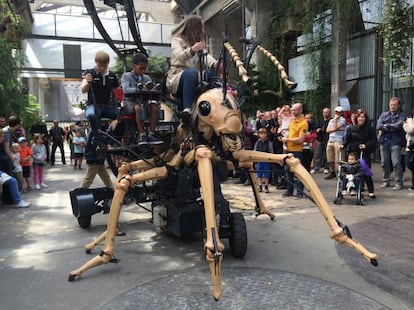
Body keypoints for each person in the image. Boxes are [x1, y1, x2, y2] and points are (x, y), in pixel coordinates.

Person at [166, 15, 218, 114]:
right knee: (191, 73)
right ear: (195, 28)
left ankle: (214, 105)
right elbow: (179, 56)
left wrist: (215, 64)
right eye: (201, 27)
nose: (203, 31)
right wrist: (192, 50)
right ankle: (187, 109)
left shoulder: (198, 42)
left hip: (195, 76)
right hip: (178, 76)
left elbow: (206, 56)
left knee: (211, 74)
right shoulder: (177, 40)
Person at [81, 51, 120, 150]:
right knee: (91, 115)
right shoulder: (89, 73)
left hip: (108, 106)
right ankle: (98, 140)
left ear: (108, 64)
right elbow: (83, 89)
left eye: (104, 66)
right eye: (100, 66)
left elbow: (118, 90)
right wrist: (88, 82)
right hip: (93, 105)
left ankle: (113, 139)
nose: (102, 68)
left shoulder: (111, 75)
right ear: (95, 62)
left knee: (123, 115)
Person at [121, 52, 161, 144]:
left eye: (145, 68)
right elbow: (126, 90)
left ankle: (151, 134)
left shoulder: (146, 78)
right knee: (139, 108)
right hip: (130, 104)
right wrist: (139, 89)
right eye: (141, 68)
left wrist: (154, 89)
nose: (143, 71)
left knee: (154, 107)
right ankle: (142, 135)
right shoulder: (126, 76)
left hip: (144, 103)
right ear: (133, 66)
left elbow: (150, 89)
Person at [342, 109, 377, 198]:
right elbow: (347, 140)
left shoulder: (369, 128)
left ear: (365, 119)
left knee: (365, 170)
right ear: (356, 118)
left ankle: (371, 190)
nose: (361, 119)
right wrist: (343, 145)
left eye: (363, 117)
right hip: (353, 151)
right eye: (359, 117)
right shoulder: (351, 128)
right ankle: (354, 188)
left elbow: (373, 140)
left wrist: (366, 145)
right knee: (352, 170)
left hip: (364, 151)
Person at [376, 97, 407, 190]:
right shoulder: (384, 114)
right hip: (384, 141)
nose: (392, 107)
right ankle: (386, 181)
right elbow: (379, 126)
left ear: (398, 106)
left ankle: (399, 183)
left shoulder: (402, 115)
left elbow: (399, 126)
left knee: (396, 163)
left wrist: (387, 125)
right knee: (384, 162)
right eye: (391, 105)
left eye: (394, 105)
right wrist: (390, 127)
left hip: (396, 142)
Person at [281, 102, 308, 198]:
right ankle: (289, 190)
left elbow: (301, 139)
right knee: (288, 171)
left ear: (300, 110)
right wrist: (285, 135)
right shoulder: (292, 120)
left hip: (296, 150)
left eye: (295, 110)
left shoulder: (303, 123)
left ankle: (300, 191)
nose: (292, 111)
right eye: (292, 110)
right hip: (287, 148)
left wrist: (287, 139)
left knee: (297, 171)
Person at [325, 106, 346, 180]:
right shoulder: (331, 120)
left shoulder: (342, 120)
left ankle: (341, 173)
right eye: (336, 112)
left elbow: (336, 127)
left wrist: (335, 122)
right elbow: (327, 130)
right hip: (330, 140)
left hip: (338, 140)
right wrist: (336, 128)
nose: (337, 113)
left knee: (339, 158)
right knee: (330, 157)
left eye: (339, 112)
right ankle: (332, 172)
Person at [311, 107, 331, 174]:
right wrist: (317, 130)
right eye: (324, 112)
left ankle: (326, 168)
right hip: (319, 139)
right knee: (318, 154)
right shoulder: (320, 120)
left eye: (327, 112)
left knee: (326, 155)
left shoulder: (331, 121)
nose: (325, 114)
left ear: (329, 113)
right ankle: (316, 168)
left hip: (327, 139)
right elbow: (316, 128)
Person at [254, 127, 273, 193]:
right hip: (259, 160)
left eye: (264, 133)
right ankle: (260, 186)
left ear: (266, 134)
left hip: (266, 160)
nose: (262, 135)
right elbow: (255, 151)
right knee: (259, 173)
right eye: (261, 134)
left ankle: (266, 186)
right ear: (259, 134)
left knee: (266, 173)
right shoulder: (257, 142)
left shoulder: (269, 142)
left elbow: (271, 151)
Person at [403, 107, 414, 191]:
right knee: (409, 164)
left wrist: (405, 124)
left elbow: (411, 129)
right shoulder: (410, 119)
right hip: (410, 146)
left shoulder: (409, 121)